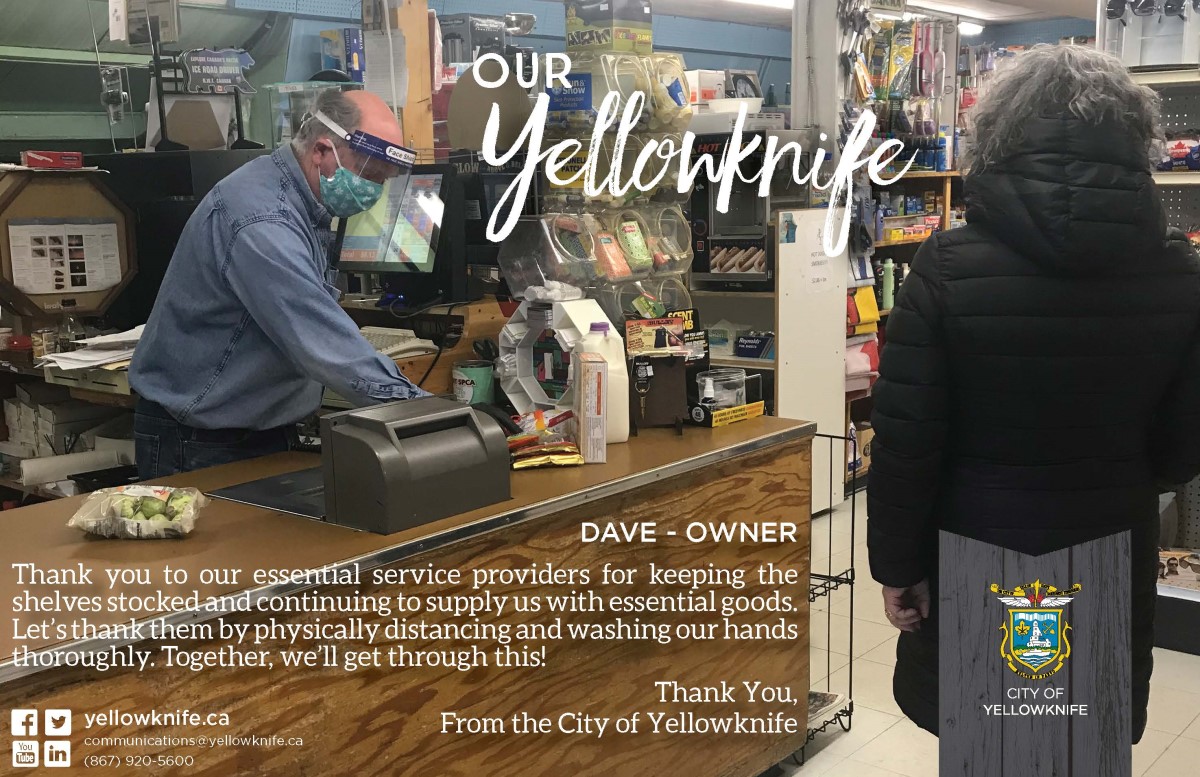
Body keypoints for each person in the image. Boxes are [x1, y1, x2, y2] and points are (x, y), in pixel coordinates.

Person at [867, 45, 1200, 742]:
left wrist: (898, 566)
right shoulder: (1180, 274)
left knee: (988, 740)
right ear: (1136, 142)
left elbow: (907, 440)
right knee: (1082, 739)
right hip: (1112, 534)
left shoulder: (948, 264)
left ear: (998, 137)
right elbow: (1182, 446)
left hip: (975, 542)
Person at [130, 89, 428, 479]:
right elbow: (319, 337)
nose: (375, 191)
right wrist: (427, 412)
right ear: (322, 150)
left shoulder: (299, 200)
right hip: (201, 441)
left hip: (252, 431)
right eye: (370, 176)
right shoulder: (261, 220)